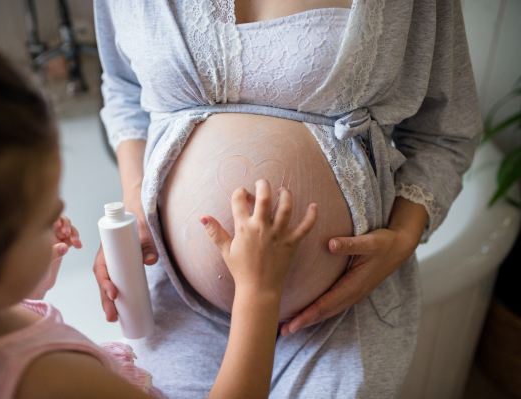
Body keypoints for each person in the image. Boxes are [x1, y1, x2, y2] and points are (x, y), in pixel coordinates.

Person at [92, 0, 483, 397]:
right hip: (175, 300)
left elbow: (445, 133)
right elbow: (125, 90)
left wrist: (401, 239)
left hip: (340, 312)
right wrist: (133, 203)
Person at [0, 26, 318, 399]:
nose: (61, 211)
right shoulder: (52, 382)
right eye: (41, 220)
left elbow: (2, 307)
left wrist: (31, 282)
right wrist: (258, 291)